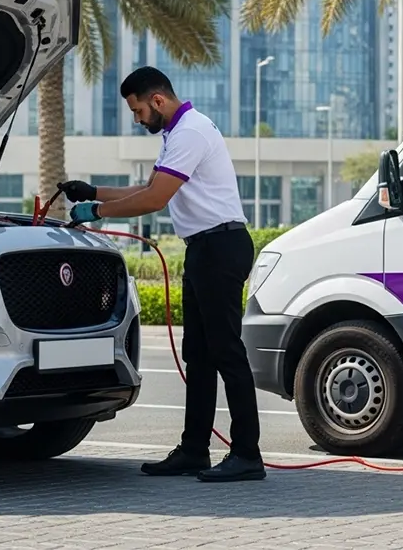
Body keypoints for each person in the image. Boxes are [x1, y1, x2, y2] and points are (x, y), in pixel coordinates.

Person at [58, 65, 265, 483]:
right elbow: (146, 187)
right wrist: (92, 192)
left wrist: (96, 213)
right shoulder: (177, 133)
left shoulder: (191, 132)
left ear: (157, 100)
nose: (137, 120)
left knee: (226, 351)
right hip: (205, 248)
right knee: (199, 355)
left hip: (220, 247)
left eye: (138, 111)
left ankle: (247, 454)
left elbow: (154, 199)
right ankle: (194, 450)